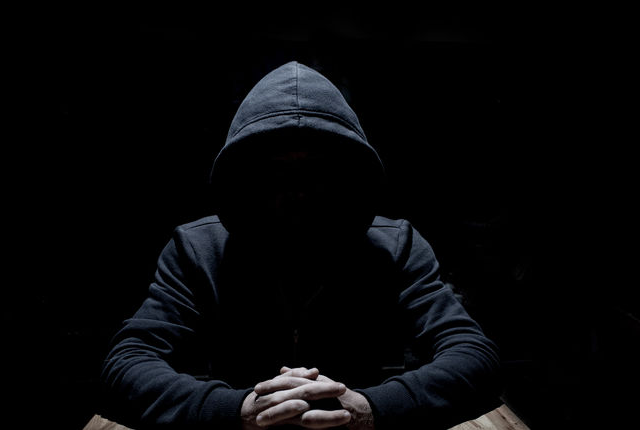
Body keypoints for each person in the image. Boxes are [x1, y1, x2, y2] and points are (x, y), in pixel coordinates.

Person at [100, 61, 502, 430]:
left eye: (316, 171)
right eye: (277, 172)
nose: (298, 193)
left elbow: (472, 355)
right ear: (245, 180)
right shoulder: (197, 250)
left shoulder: (397, 246)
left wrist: (368, 408)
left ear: (348, 177)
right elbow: (128, 362)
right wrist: (238, 410)